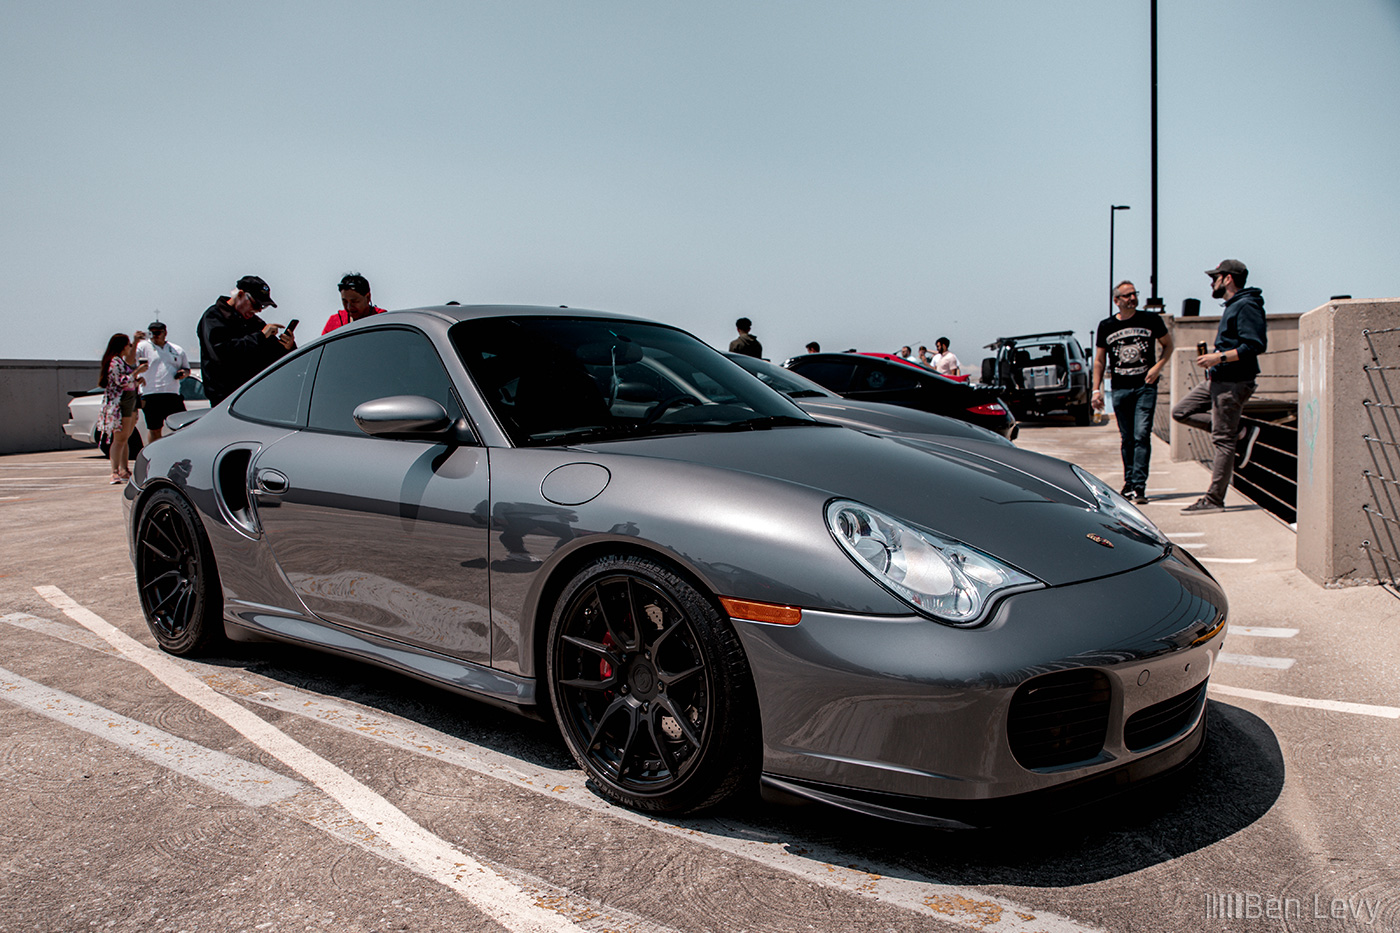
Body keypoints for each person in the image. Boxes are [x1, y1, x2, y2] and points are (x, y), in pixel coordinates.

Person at [1171, 259, 1268, 514]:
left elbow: (1255, 345)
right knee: (1181, 411)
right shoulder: (1234, 305)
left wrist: (1219, 357)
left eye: (1215, 277)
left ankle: (1214, 500)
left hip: (1233, 382)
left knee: (1223, 441)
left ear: (1228, 278)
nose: (1212, 282)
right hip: (1218, 379)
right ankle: (1241, 430)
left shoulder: (1247, 305)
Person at [1092, 281, 1172, 504]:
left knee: (1141, 435)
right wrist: (1095, 390)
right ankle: (1128, 483)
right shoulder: (1106, 326)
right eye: (1126, 296)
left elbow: (1169, 345)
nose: (1132, 299)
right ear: (1116, 301)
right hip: (1119, 388)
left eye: (1134, 294)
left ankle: (1139, 486)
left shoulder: (1150, 320)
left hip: (1144, 386)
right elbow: (1099, 361)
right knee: (1127, 438)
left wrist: (1158, 367)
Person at [198, 275, 295, 405]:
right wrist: (260, 336)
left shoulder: (255, 323)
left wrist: (287, 347)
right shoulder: (214, 317)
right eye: (256, 304)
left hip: (254, 395)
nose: (259, 310)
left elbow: (270, 356)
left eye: (263, 306)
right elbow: (222, 353)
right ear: (240, 295)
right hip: (225, 399)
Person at [96, 332, 148, 484]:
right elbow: (120, 382)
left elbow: (128, 382)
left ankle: (124, 469)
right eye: (129, 345)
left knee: (125, 437)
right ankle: (114, 471)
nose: (130, 348)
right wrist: (137, 372)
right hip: (120, 404)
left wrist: (137, 381)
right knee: (119, 439)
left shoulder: (121, 361)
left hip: (130, 400)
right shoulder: (114, 362)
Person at [136, 321, 190, 442]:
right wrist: (135, 341)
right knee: (154, 428)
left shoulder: (176, 349)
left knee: (182, 426)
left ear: (165, 333)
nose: (155, 335)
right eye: (152, 333)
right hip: (151, 393)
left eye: (158, 332)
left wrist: (183, 374)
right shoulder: (142, 347)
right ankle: (154, 455)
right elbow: (130, 361)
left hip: (172, 393)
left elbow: (187, 369)